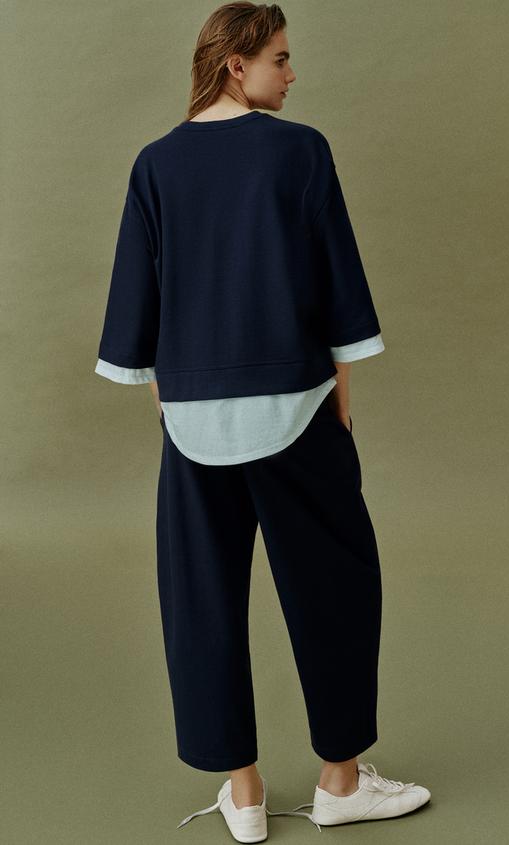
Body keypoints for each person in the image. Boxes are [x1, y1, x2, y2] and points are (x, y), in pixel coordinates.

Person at [94, 2, 430, 840]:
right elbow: (334, 281)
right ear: (236, 64)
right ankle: (340, 781)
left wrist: (172, 402)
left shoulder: (155, 164)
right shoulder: (300, 150)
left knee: (201, 599)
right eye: (280, 57)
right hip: (297, 403)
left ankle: (242, 795)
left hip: (191, 419)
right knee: (335, 585)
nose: (291, 72)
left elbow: (139, 305)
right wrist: (339, 392)